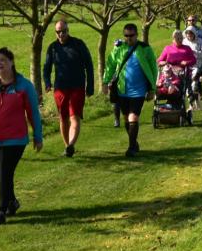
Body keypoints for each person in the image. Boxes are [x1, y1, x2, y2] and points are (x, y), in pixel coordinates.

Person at [0, 47, 43, 224]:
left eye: (3, 60)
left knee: (5, 174)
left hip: (15, 139)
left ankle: (1, 210)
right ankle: (12, 202)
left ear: (11, 62)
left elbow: (33, 112)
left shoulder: (24, 85)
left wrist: (38, 136)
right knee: (1, 176)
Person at [42, 20, 95, 157]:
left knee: (75, 117)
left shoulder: (78, 44)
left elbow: (89, 65)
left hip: (77, 87)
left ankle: (71, 144)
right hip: (60, 89)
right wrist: (47, 83)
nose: (61, 34)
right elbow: (46, 67)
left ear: (68, 30)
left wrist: (90, 86)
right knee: (63, 118)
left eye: (63, 31)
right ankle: (67, 147)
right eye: (58, 32)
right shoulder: (52, 48)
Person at [102, 23, 156, 157]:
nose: (129, 38)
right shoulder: (119, 49)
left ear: (136, 35)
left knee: (133, 117)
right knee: (126, 118)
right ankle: (134, 143)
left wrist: (152, 88)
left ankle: (131, 148)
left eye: (131, 35)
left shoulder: (145, 49)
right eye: (126, 35)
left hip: (139, 91)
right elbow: (110, 64)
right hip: (122, 90)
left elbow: (153, 69)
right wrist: (105, 82)